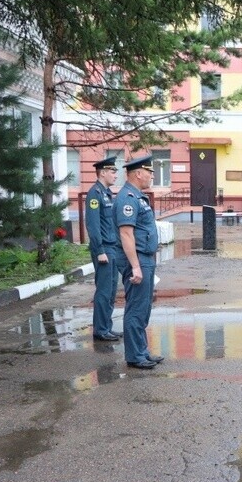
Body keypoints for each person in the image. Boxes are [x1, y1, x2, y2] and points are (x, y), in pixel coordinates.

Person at [113, 155, 163, 370]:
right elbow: (126, 234)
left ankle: (141, 351)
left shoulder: (137, 196)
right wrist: (135, 266)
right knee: (136, 308)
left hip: (145, 257)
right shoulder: (127, 198)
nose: (152, 176)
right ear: (137, 173)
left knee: (144, 308)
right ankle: (134, 356)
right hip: (138, 259)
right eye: (149, 172)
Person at [85, 156, 121, 342]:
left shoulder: (107, 193)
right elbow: (93, 225)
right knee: (104, 290)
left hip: (112, 247)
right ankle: (100, 329)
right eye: (113, 171)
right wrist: (99, 250)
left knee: (112, 290)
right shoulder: (95, 194)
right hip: (104, 249)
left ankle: (106, 326)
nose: (116, 174)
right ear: (103, 172)